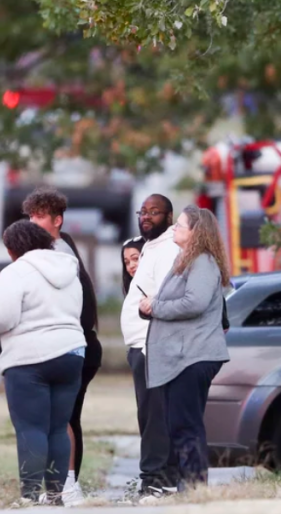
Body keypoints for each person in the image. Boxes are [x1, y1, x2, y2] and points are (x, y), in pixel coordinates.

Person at [0, 220, 85, 505]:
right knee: (58, 426)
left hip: (29, 358)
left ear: (13, 249)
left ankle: (29, 496)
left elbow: (0, 317)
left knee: (31, 428)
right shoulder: (69, 269)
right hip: (71, 353)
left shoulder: (15, 272)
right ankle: (55, 494)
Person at [139, 206, 231, 492]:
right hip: (182, 356)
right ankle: (189, 486)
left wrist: (157, 307)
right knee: (180, 424)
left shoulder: (202, 261)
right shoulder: (185, 259)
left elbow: (195, 303)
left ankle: (194, 488)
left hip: (194, 355)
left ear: (196, 232)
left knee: (185, 424)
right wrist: (151, 306)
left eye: (179, 225)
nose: (174, 230)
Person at [22, 187, 102, 505]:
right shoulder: (58, 245)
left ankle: (67, 488)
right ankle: (60, 488)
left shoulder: (57, 254)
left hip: (75, 346)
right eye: (30, 216)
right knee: (65, 419)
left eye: (40, 216)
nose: (32, 222)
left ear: (57, 220)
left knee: (64, 420)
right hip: (77, 345)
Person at [121, 194, 181, 500]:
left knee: (154, 417)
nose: (145, 216)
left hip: (152, 345)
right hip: (142, 345)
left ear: (169, 217)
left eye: (154, 212)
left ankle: (154, 480)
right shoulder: (151, 248)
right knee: (152, 416)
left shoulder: (169, 248)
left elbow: (166, 297)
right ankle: (166, 478)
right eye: (142, 211)